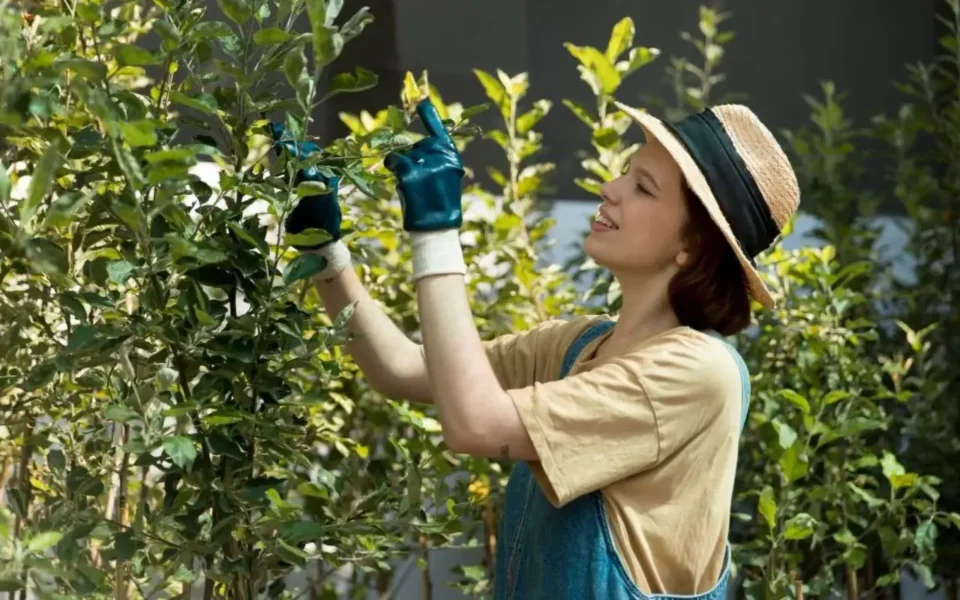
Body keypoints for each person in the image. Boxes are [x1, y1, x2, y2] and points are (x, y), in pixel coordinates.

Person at [270, 97, 799, 599]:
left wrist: (436, 235)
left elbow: (475, 423)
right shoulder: (578, 346)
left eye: (643, 187)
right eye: (625, 172)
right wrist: (324, 251)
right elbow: (400, 368)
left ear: (694, 245)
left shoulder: (698, 372)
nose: (611, 188)